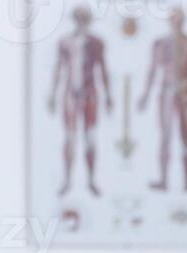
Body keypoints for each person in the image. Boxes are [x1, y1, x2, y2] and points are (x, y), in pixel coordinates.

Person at [137, 7, 187, 192]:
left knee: (186, 137)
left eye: (179, 19)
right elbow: (153, 71)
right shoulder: (160, 44)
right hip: (167, 93)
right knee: (165, 137)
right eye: (174, 20)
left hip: (185, 93)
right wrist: (145, 96)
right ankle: (163, 180)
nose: (176, 23)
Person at [48, 5, 113, 197]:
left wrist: (109, 95)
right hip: (70, 94)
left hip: (90, 93)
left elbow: (103, 69)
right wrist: (52, 94)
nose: (82, 22)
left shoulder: (96, 43)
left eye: (85, 19)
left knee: (90, 138)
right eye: (79, 19)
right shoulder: (65, 42)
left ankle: (91, 181)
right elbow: (58, 69)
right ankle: (67, 180)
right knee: (69, 137)